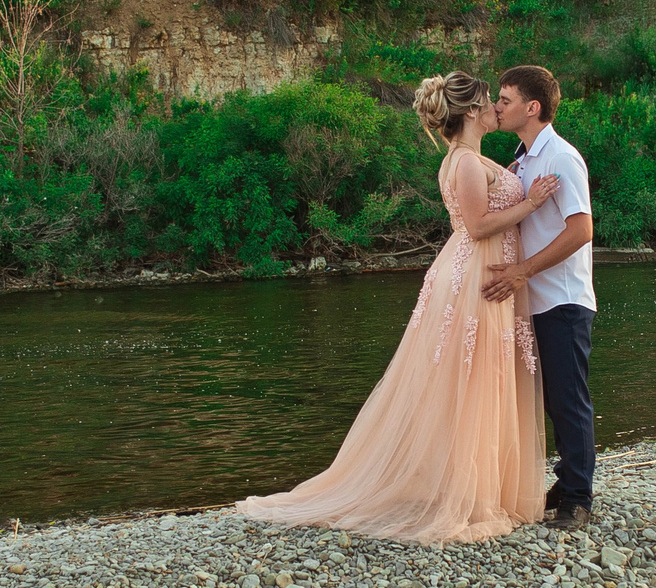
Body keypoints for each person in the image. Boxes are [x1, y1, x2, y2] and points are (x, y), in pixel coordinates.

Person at [235, 72, 557, 543]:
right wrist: (530, 203)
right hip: (473, 275)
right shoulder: (465, 162)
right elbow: (478, 225)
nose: (494, 109)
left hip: (477, 273)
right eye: (489, 102)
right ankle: (466, 494)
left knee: (475, 381)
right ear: (471, 112)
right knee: (474, 381)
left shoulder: (468, 158)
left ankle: (477, 484)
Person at [483, 66, 598, 531]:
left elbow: (581, 230)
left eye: (505, 99)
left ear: (532, 107)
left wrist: (522, 272)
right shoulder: (524, 158)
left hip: (563, 298)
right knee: (549, 399)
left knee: (568, 400)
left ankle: (577, 497)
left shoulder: (562, 158)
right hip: (533, 299)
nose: (497, 106)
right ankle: (565, 480)